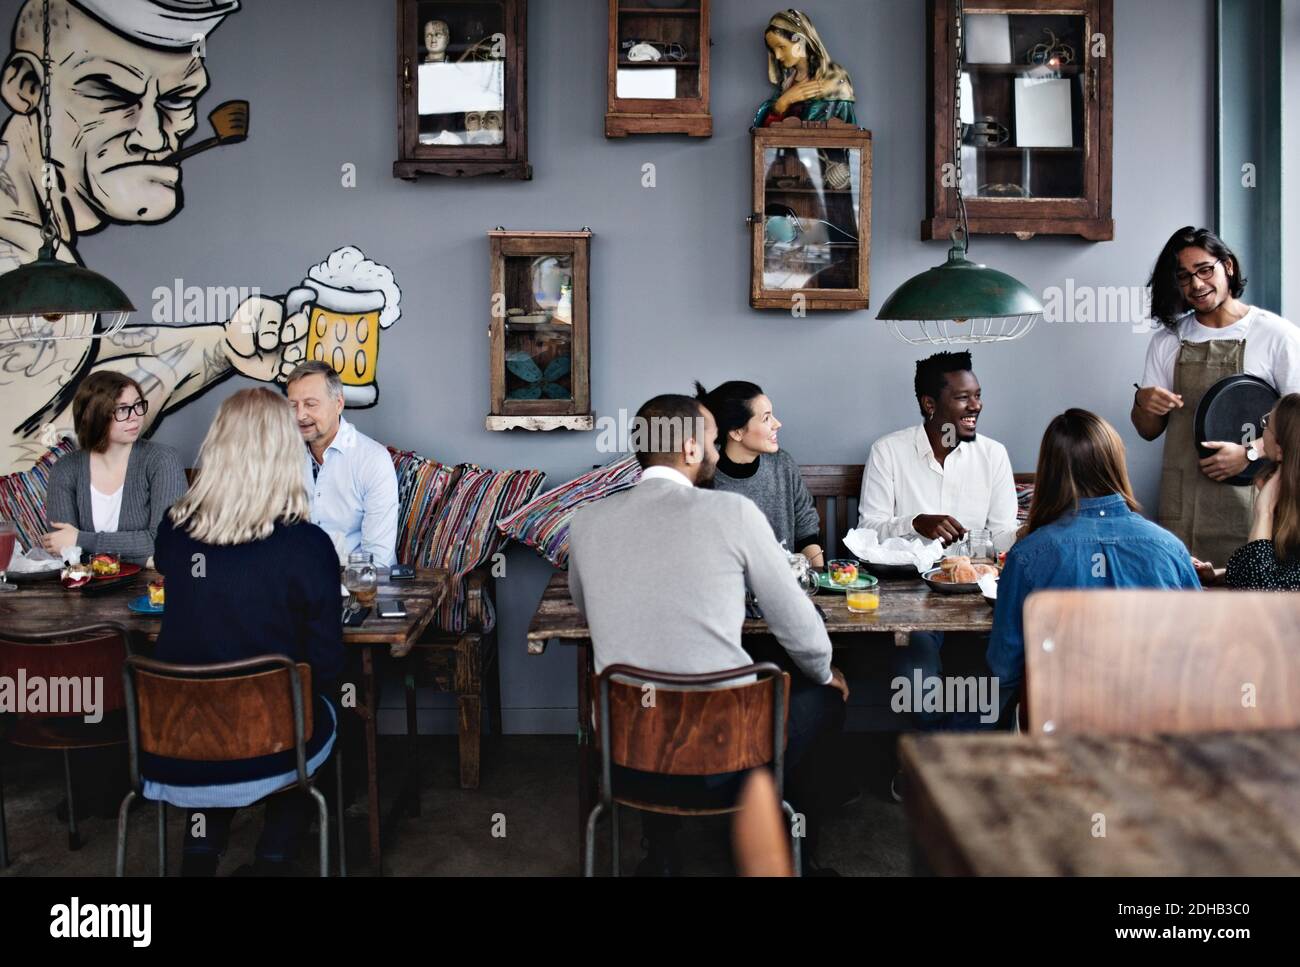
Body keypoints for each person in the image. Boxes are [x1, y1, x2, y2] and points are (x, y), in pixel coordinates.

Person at [0, 0, 304, 476]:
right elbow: (74, 442)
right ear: (28, 87)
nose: (154, 137)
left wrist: (224, 345)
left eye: (176, 101)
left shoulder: (37, 245)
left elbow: (81, 356)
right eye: (111, 93)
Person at [567, 394, 848, 875]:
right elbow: (799, 627)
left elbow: (582, 602)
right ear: (692, 450)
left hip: (629, 756)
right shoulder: (733, 514)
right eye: (714, 442)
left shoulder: (587, 520)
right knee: (824, 694)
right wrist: (826, 671)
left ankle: (662, 852)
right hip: (727, 756)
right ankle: (775, 848)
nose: (717, 454)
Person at [150, 387, 346, 877]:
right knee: (304, 711)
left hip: (174, 743)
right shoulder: (308, 545)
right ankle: (274, 858)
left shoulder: (173, 529)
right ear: (284, 452)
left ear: (217, 448)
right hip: (272, 745)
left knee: (218, 720)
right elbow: (326, 662)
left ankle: (199, 858)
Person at [988, 410, 1202, 718]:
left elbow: (1003, 668)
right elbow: (1196, 653)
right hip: (1156, 726)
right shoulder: (1170, 548)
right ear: (1115, 464)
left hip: (1060, 726)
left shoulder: (1027, 556)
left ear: (1049, 474)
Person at [858, 351, 1017, 744]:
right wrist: (915, 523)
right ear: (930, 404)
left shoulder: (993, 455)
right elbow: (867, 533)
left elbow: (1002, 536)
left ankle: (927, 759)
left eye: (977, 395)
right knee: (920, 698)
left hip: (980, 603)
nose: (976, 405)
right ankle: (939, 755)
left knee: (1008, 679)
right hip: (911, 603)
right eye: (963, 397)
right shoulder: (888, 452)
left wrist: (1035, 531)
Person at [1132, 226, 1300, 565]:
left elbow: (1298, 425)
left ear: (1229, 267)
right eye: (1184, 276)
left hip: (1257, 504)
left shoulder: (1275, 335)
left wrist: (1250, 454)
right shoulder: (1168, 340)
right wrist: (1143, 404)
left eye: (1205, 269)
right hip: (1182, 505)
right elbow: (1148, 430)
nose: (1196, 284)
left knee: (1249, 601)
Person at [41, 371, 187, 564]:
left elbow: (166, 542)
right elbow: (63, 551)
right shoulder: (65, 469)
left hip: (151, 589)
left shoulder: (163, 460)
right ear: (94, 415)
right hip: (84, 588)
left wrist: (80, 539)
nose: (134, 416)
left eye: (137, 405)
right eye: (122, 409)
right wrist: (145, 560)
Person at [694, 380, 824, 567]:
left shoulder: (783, 463)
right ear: (737, 432)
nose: (777, 424)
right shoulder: (705, 478)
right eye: (766, 418)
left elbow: (807, 529)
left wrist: (817, 582)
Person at [285, 361, 398, 567]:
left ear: (338, 404)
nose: (299, 415)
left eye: (310, 404)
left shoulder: (373, 460)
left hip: (358, 589)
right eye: (293, 405)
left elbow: (377, 560)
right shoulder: (282, 457)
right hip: (297, 585)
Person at [1225, 394, 1300, 590]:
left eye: (1266, 424)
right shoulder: (1288, 502)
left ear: (1281, 448)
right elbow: (1281, 575)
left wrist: (1264, 513)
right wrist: (1219, 574)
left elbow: (1260, 597)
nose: (1261, 429)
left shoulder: (1271, 505)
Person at [753, 9, 857, 127]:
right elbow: (766, 133)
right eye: (773, 50)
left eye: (781, 47)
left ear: (800, 40)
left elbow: (839, 133)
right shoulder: (787, 82)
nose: (777, 56)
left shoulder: (834, 79)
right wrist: (782, 103)